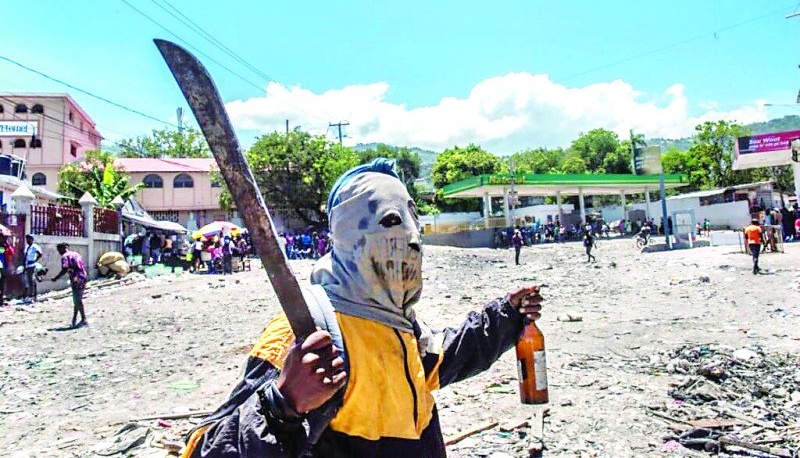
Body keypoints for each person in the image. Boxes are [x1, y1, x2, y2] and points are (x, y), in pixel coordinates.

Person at [179, 158, 544, 457]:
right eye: (390, 221)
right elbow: (204, 449)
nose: (412, 239)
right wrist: (282, 403)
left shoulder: (400, 325)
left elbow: (440, 362)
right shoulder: (304, 330)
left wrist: (506, 317)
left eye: (413, 219)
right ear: (350, 234)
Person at [52, 243, 89, 328]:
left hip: (76, 278)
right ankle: (74, 320)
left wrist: (56, 278)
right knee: (77, 299)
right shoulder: (76, 254)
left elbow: (64, 269)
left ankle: (83, 319)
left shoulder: (65, 256)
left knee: (77, 299)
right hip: (83, 276)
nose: (59, 252)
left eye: (59, 250)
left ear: (62, 249)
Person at [22, 235, 43, 302]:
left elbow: (40, 254)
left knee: (31, 281)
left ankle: (32, 296)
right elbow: (25, 256)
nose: (27, 240)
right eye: (27, 239)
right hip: (27, 265)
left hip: (32, 265)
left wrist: (35, 260)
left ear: (32, 239)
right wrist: (24, 265)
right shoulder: (27, 247)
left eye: (29, 239)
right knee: (30, 281)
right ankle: (32, 296)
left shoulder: (34, 246)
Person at [0, 234, 14, 306]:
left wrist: (8, 245)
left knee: (2, 284)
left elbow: (12, 253)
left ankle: (1, 300)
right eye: (4, 238)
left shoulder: (6, 247)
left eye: (6, 238)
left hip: (4, 268)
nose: (5, 239)